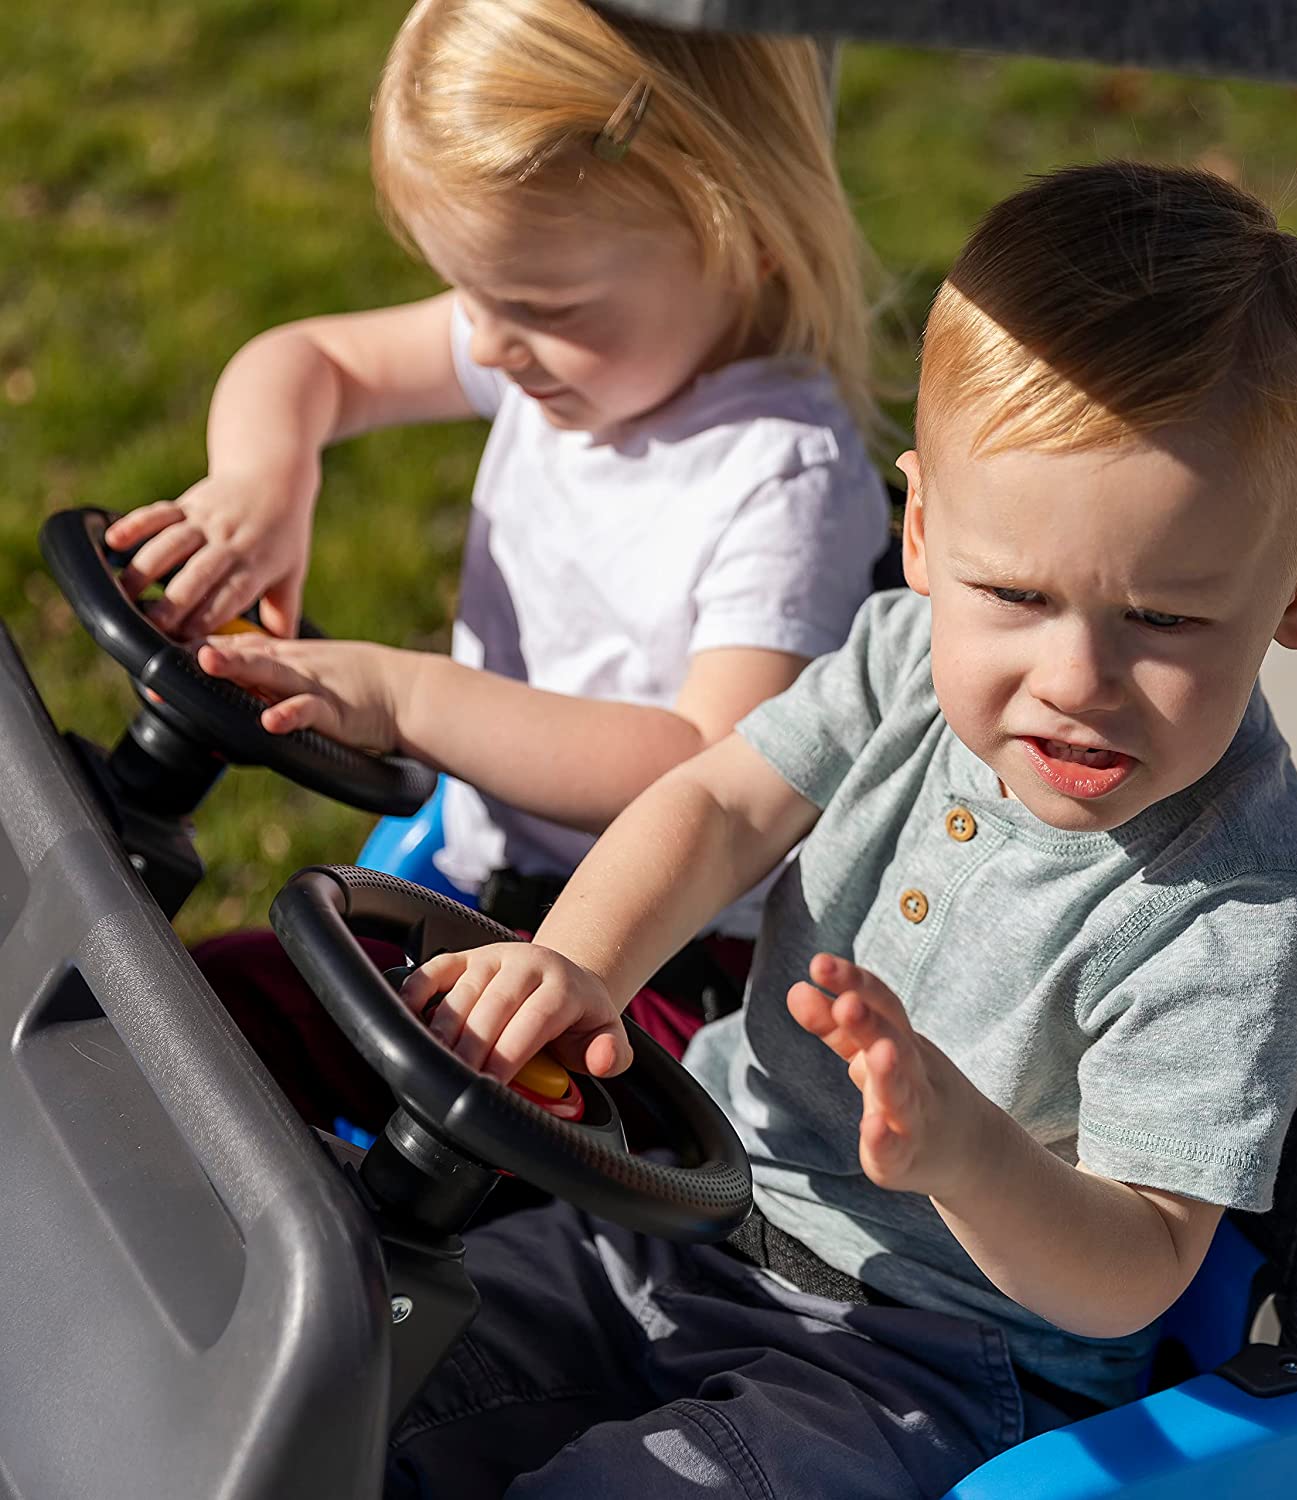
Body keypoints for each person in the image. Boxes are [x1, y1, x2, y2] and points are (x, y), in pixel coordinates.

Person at [319, 159, 1297, 1498]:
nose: (1075, 678)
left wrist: (968, 1156)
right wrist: (578, 963)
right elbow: (718, 803)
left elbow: (1144, 1263)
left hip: (931, 1359)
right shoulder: (906, 660)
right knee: (355, 1371)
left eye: (1163, 621)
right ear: (921, 531)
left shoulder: (1237, 905)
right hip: (677, 1219)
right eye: (1015, 595)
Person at [106, 0, 890, 1098]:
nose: (482, 342)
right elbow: (311, 361)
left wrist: (407, 699)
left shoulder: (783, 477)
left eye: (536, 303)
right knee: (202, 1016)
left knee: (233, 1040)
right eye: (469, 293)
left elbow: (705, 769)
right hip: (480, 883)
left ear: (746, 235)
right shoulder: (580, 344)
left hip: (642, 981)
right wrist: (260, 482)